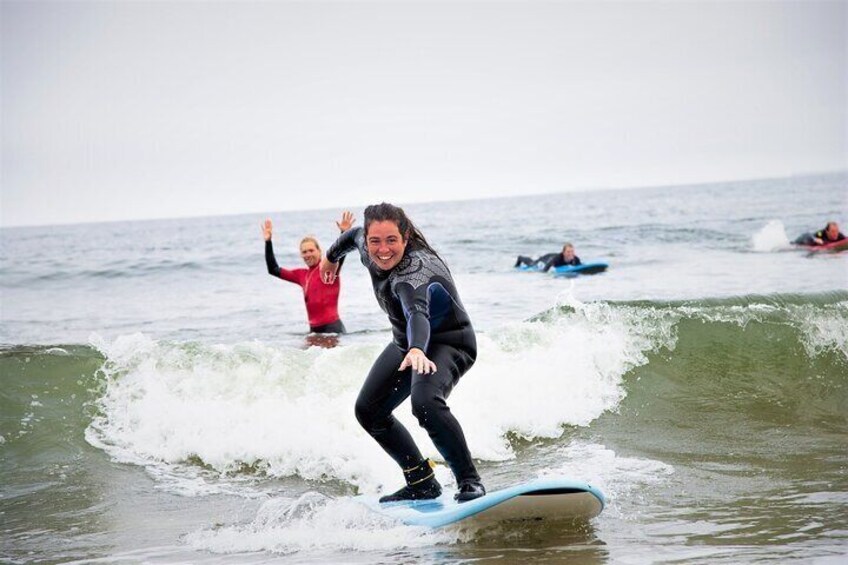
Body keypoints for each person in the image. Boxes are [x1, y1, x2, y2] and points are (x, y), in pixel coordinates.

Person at [319, 203, 485, 503]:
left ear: (405, 238)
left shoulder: (415, 270)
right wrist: (329, 259)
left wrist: (418, 348)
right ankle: (421, 481)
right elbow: (350, 236)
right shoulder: (363, 242)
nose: (383, 250)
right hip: (404, 344)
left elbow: (416, 312)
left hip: (449, 342)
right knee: (368, 411)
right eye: (375, 241)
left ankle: (469, 482)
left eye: (392, 240)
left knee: (425, 403)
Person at [263, 211, 354, 334]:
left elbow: (339, 254)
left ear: (319, 251)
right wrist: (268, 242)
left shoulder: (328, 268)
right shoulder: (301, 275)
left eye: (311, 250)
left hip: (332, 328)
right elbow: (273, 269)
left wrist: (344, 233)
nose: (307, 254)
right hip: (313, 330)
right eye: (304, 252)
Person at [514, 243, 582, 272]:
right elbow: (546, 267)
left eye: (572, 251)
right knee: (533, 264)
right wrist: (543, 274)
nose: (570, 254)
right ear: (563, 252)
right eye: (568, 252)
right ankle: (520, 258)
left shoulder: (575, 258)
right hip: (547, 259)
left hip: (552, 257)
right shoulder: (557, 259)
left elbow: (581, 266)